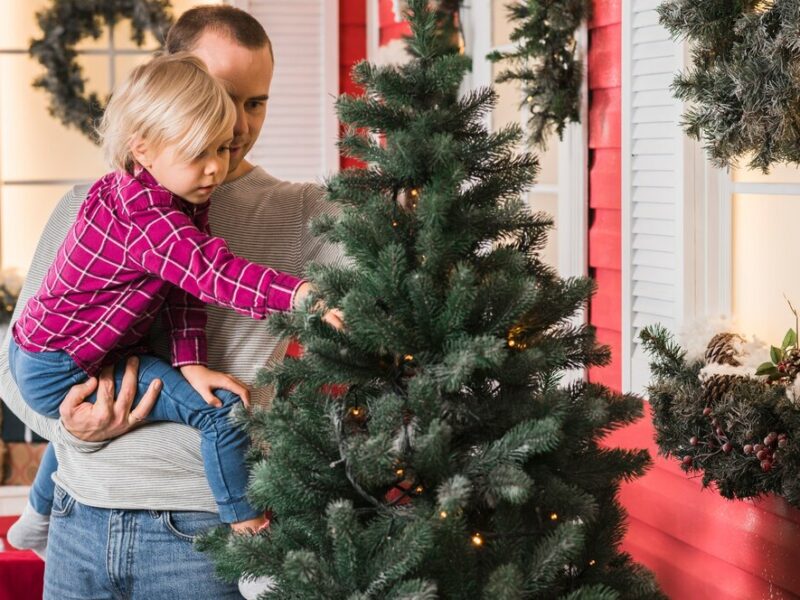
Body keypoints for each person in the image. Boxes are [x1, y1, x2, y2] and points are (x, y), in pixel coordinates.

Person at [0, 5, 342, 599]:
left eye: (255, 102)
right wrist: (76, 428)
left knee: (216, 407)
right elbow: (15, 365)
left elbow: (399, 275)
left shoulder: (302, 212)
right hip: (80, 526)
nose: (234, 124)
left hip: (201, 541)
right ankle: (41, 512)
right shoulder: (95, 203)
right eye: (217, 94)